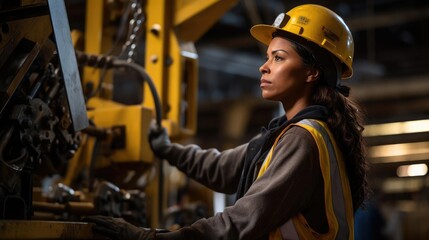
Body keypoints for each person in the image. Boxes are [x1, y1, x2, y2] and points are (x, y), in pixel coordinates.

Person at [84, 4, 369, 240]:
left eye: (278, 58)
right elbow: (222, 168)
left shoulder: (302, 139)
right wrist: (166, 148)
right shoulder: (288, 134)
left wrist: (148, 237)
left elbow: (239, 221)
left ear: (311, 73)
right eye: (268, 56)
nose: (264, 66)